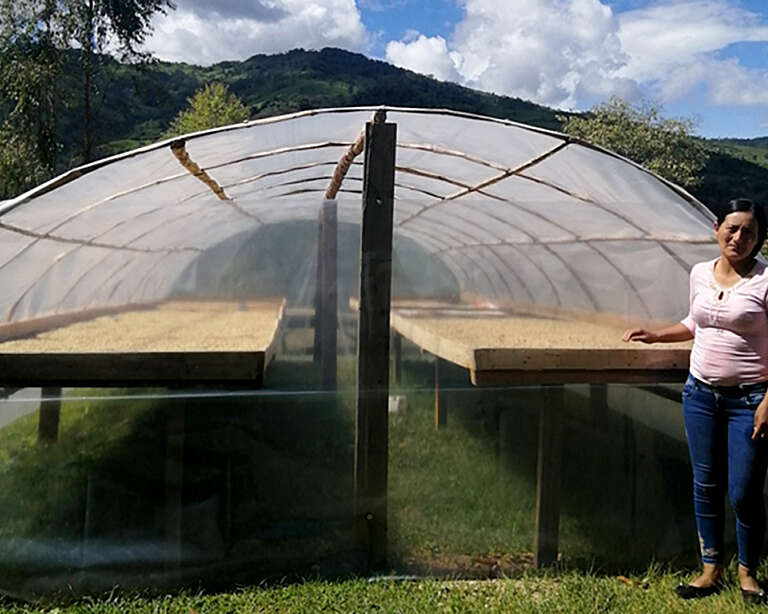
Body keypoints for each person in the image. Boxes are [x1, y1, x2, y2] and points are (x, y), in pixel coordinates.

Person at [623, 198, 768, 605]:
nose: (739, 237)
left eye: (749, 232)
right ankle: (710, 569)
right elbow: (693, 322)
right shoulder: (700, 272)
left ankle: (748, 572)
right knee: (705, 484)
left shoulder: (765, 280)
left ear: (760, 239)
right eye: (732, 228)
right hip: (700, 394)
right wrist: (655, 335)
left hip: (749, 400)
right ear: (718, 227)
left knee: (743, 490)